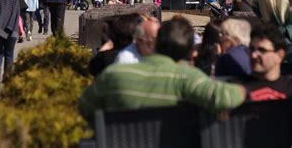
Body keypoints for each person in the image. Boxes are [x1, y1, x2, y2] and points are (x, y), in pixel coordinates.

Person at [79, 17, 246, 124]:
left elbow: (84, 107)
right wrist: (246, 87)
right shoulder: (185, 77)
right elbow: (224, 97)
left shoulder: (113, 75)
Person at [240, 23, 292, 101]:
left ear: (279, 55)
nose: (253, 55)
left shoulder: (289, 88)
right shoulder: (238, 88)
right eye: (251, 49)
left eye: (262, 50)